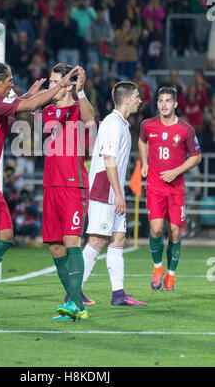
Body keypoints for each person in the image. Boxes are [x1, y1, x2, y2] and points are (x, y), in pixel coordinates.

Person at [0, 61, 79, 322]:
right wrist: (60, 84)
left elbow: (19, 104)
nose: (12, 83)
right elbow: (31, 107)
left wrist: (29, 95)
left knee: (5, 237)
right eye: (9, 80)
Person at [36, 63, 95, 321]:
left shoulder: (76, 109)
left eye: (55, 81)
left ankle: (74, 302)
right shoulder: (47, 109)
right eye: (50, 81)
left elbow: (91, 119)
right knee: (55, 248)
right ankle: (74, 300)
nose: (51, 85)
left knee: (72, 243)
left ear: (68, 84)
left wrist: (80, 92)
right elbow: (27, 116)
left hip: (73, 185)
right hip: (50, 185)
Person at [80, 81, 147, 307]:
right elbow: (108, 158)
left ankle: (118, 294)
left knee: (118, 238)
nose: (140, 100)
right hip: (105, 188)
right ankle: (73, 292)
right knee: (97, 240)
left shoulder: (122, 124)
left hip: (113, 189)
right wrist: (118, 193)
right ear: (126, 99)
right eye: (137, 96)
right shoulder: (112, 123)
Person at [138, 86, 202, 291]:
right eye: (160, 101)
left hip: (176, 188)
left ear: (175, 104)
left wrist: (176, 171)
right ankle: (157, 268)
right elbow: (142, 141)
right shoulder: (148, 125)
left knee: (174, 232)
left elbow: (197, 157)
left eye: (168, 101)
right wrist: (145, 163)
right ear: (157, 104)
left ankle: (171, 275)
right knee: (156, 229)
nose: (164, 104)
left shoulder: (186, 129)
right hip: (155, 186)